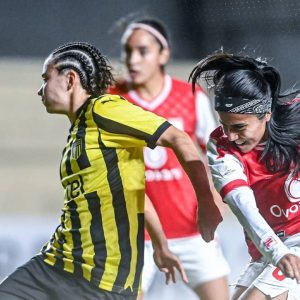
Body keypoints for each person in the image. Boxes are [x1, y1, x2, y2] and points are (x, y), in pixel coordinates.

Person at [0, 42, 221, 300]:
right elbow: (134, 192)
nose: (41, 90)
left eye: (46, 78)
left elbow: (178, 138)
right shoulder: (79, 130)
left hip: (101, 279)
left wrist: (206, 200)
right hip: (57, 263)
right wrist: (161, 246)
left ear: (70, 79)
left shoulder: (105, 109)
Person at [110, 18, 230, 300]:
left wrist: (217, 196)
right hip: (135, 236)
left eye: (143, 51)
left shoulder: (188, 96)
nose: (133, 59)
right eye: (128, 51)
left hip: (191, 230)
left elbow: (217, 152)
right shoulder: (112, 98)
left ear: (163, 54)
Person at [190, 51, 300, 300]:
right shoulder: (220, 145)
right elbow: (243, 207)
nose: (230, 136)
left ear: (267, 115)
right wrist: (277, 252)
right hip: (268, 249)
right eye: (224, 124)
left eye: (239, 127)